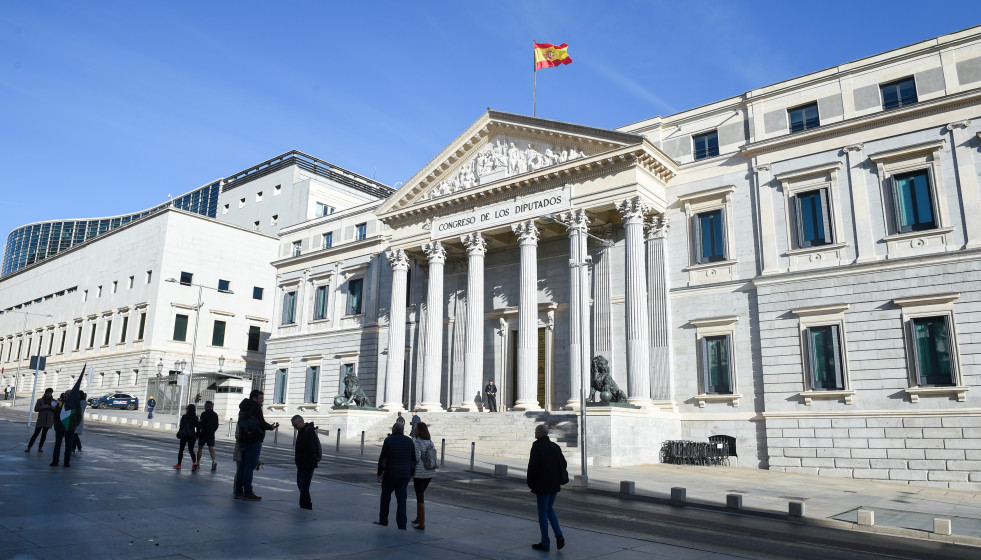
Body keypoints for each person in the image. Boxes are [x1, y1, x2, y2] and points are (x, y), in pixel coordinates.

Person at [527, 424, 566, 552]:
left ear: (539, 433)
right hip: (554, 484)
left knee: (543, 514)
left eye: (535, 431)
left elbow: (533, 467)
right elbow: (563, 464)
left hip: (542, 485)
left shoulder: (537, 446)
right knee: (549, 509)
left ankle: (545, 543)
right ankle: (559, 535)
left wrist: (530, 482)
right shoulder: (555, 446)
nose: (535, 433)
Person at [235, 389, 278, 500]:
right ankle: (248, 492)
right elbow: (261, 423)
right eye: (260, 398)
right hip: (254, 440)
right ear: (254, 398)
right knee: (249, 467)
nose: (262, 400)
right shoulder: (256, 407)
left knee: (242, 467)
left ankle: (238, 492)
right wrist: (271, 427)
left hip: (243, 439)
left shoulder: (243, 407)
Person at [375, 422, 416, 529]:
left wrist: (380, 473)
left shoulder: (388, 440)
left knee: (385, 498)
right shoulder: (409, 441)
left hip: (390, 474)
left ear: (393, 430)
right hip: (404, 476)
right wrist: (411, 473)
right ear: (402, 430)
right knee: (402, 501)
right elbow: (413, 459)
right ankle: (402, 525)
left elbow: (383, 458)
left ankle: (383, 521)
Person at [291, 414, 321, 510]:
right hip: (301, 463)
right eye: (293, 426)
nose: (295, 427)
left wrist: (308, 460)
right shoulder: (301, 431)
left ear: (301, 422)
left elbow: (312, 448)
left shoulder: (309, 431)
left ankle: (306, 505)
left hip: (308, 463)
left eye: (295, 425)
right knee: (301, 484)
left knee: (304, 485)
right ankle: (305, 504)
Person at [412, 422, 437, 530]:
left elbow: (417, 458)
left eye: (416, 429)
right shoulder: (430, 442)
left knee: (420, 497)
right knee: (421, 494)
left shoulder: (417, 442)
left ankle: (422, 522)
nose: (414, 430)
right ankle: (418, 518)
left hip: (419, 473)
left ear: (420, 431)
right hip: (430, 472)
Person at [26, 388, 55, 453]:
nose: (49, 395)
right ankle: (29, 447)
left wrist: (51, 407)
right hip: (41, 420)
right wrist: (44, 406)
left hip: (48, 420)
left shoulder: (53, 401)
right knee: (36, 434)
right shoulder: (40, 400)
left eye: (50, 393)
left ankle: (40, 447)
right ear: (45, 393)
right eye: (48, 393)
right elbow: (36, 409)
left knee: (44, 435)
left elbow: (56, 410)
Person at [196, 400, 219, 471]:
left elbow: (200, 424)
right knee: (211, 449)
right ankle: (214, 461)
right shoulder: (215, 414)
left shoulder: (204, 414)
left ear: (206, 406)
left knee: (200, 448)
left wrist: (198, 433)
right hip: (211, 434)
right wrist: (212, 431)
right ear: (211, 406)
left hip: (203, 433)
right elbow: (216, 425)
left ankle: (198, 463)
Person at [175, 403, 198, 470]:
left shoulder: (184, 416)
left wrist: (180, 432)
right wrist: (197, 435)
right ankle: (194, 462)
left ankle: (179, 464)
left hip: (184, 435)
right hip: (192, 435)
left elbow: (181, 426)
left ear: (188, 409)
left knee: (181, 450)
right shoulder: (196, 417)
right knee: (191, 450)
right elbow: (198, 427)